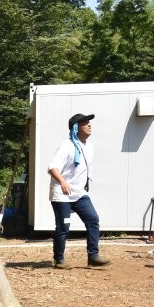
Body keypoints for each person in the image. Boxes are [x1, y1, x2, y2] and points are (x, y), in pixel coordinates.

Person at [47, 113, 111, 269]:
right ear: (76, 128)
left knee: (93, 219)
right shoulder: (66, 146)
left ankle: (93, 256)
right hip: (62, 193)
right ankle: (59, 260)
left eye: (89, 122)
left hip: (79, 193)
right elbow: (52, 167)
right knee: (63, 227)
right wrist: (63, 182)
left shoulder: (90, 146)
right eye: (85, 123)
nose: (89, 125)